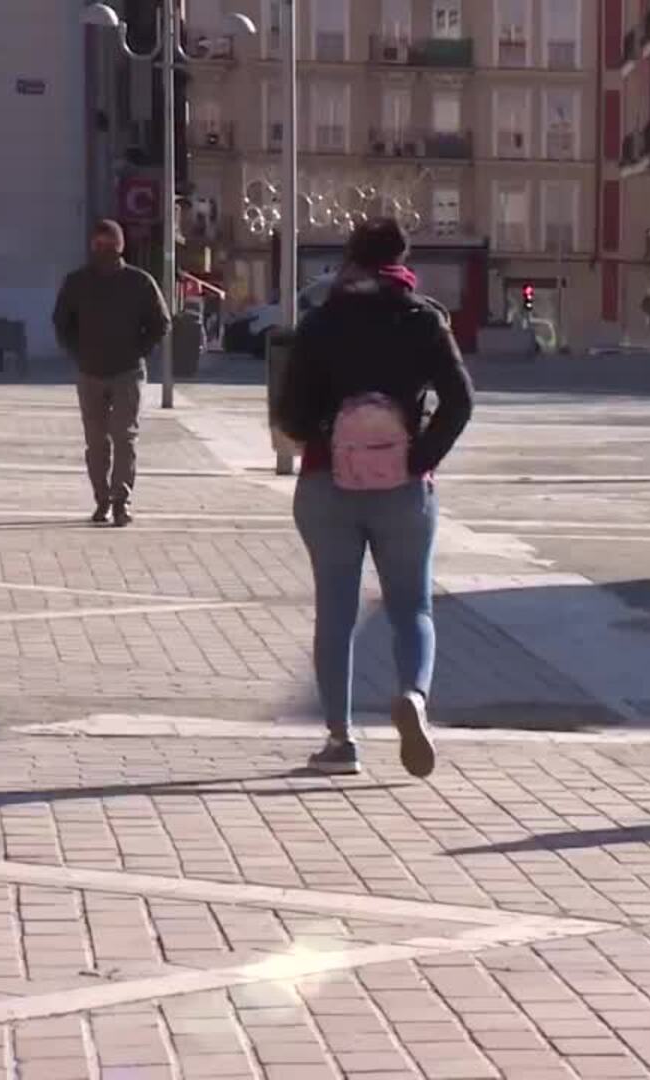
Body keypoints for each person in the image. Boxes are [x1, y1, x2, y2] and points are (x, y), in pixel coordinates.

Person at [275, 218, 474, 778]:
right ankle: (413, 696)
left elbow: (288, 410)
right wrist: (420, 456)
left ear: (352, 259)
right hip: (403, 487)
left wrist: (323, 438)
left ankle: (340, 742)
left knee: (334, 613)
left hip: (326, 483)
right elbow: (461, 400)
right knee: (411, 607)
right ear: (402, 258)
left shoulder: (321, 322)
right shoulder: (423, 319)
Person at [52, 219, 170, 527]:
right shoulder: (77, 282)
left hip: (127, 372)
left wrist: (139, 349)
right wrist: (77, 351)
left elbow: (161, 322)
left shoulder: (139, 282)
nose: (103, 250)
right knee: (96, 441)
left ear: (120, 246)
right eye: (98, 244)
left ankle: (121, 501)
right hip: (90, 371)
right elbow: (62, 322)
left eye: (109, 244)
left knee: (124, 437)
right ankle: (101, 499)